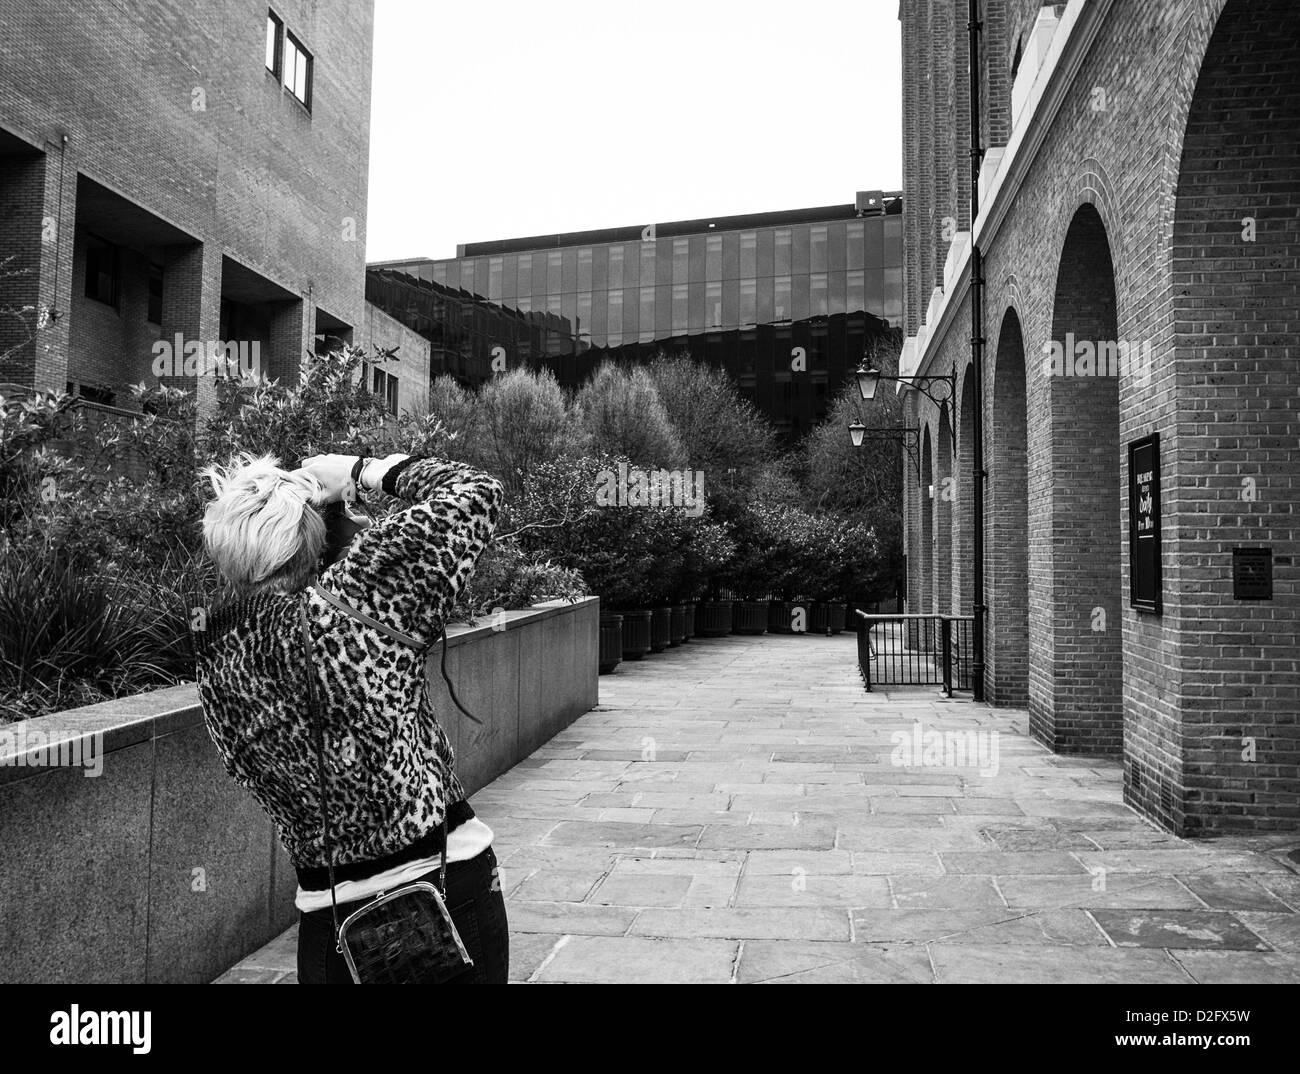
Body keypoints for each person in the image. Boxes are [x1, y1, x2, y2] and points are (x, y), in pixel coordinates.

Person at [193, 450, 509, 983]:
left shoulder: (216, 655)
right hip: (440, 893)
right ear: (312, 533)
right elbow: (475, 492)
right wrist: (363, 470)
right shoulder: (356, 598)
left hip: (326, 924)